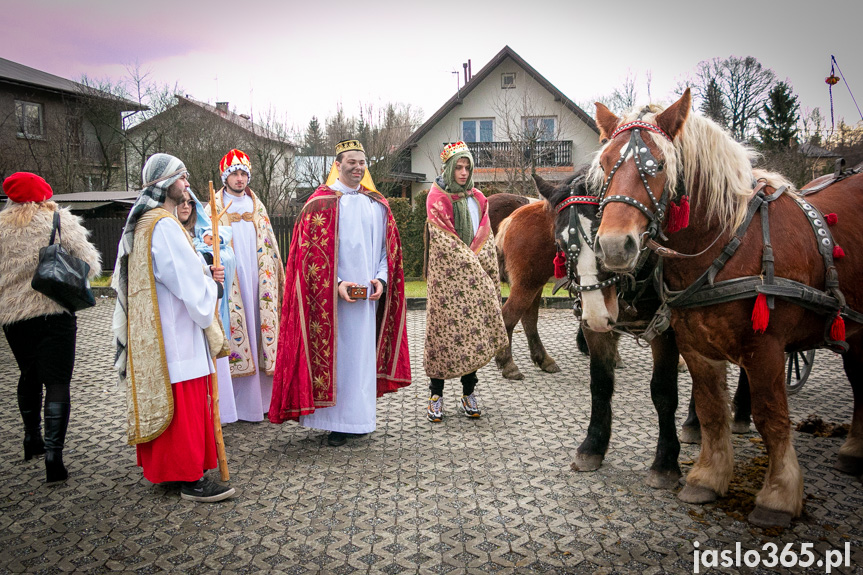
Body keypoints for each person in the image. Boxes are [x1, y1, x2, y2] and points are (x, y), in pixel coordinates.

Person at [269, 139, 411, 446]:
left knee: (361, 360)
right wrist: (337, 285)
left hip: (368, 300)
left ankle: (360, 419)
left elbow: (390, 252)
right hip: (330, 304)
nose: (357, 167)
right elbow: (306, 259)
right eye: (351, 162)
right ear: (337, 165)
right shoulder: (318, 205)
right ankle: (338, 422)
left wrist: (382, 281)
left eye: (362, 162)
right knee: (340, 359)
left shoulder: (377, 204)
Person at [112, 153, 234, 502]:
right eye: (182, 177)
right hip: (175, 331)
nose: (187, 184)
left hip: (163, 332)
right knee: (184, 405)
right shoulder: (163, 224)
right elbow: (186, 283)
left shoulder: (145, 222)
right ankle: (189, 478)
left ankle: (171, 473)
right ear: (166, 183)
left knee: (178, 402)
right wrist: (213, 288)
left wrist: (205, 275)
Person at [0, 172, 101, 483]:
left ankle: (32, 439)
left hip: (14, 317)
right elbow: (90, 265)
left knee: (28, 374)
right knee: (57, 382)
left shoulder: (1, 227)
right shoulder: (59, 220)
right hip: (54, 312)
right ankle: (54, 457)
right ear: (44, 195)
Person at [424, 142, 507, 422]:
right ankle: (436, 395)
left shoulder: (479, 198)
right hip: (447, 282)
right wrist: (471, 265)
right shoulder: (437, 197)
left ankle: (468, 392)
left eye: (467, 167)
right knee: (442, 335)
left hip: (475, 279)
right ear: (448, 168)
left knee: (472, 333)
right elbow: (445, 241)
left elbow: (485, 235)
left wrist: (482, 270)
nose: (463, 172)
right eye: (458, 167)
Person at [206, 149, 284, 422]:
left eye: (243, 174)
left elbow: (270, 244)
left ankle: (264, 402)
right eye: (234, 174)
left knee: (260, 331)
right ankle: (238, 406)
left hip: (257, 281)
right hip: (232, 283)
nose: (239, 179)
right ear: (225, 177)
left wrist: (274, 275)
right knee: (240, 333)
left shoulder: (257, 206)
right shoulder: (213, 208)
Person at [178, 189, 240, 424]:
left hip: (208, 309)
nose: (186, 207)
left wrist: (214, 259)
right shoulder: (170, 232)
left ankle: (216, 416)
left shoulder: (206, 233)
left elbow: (224, 257)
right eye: (182, 202)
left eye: (190, 203)